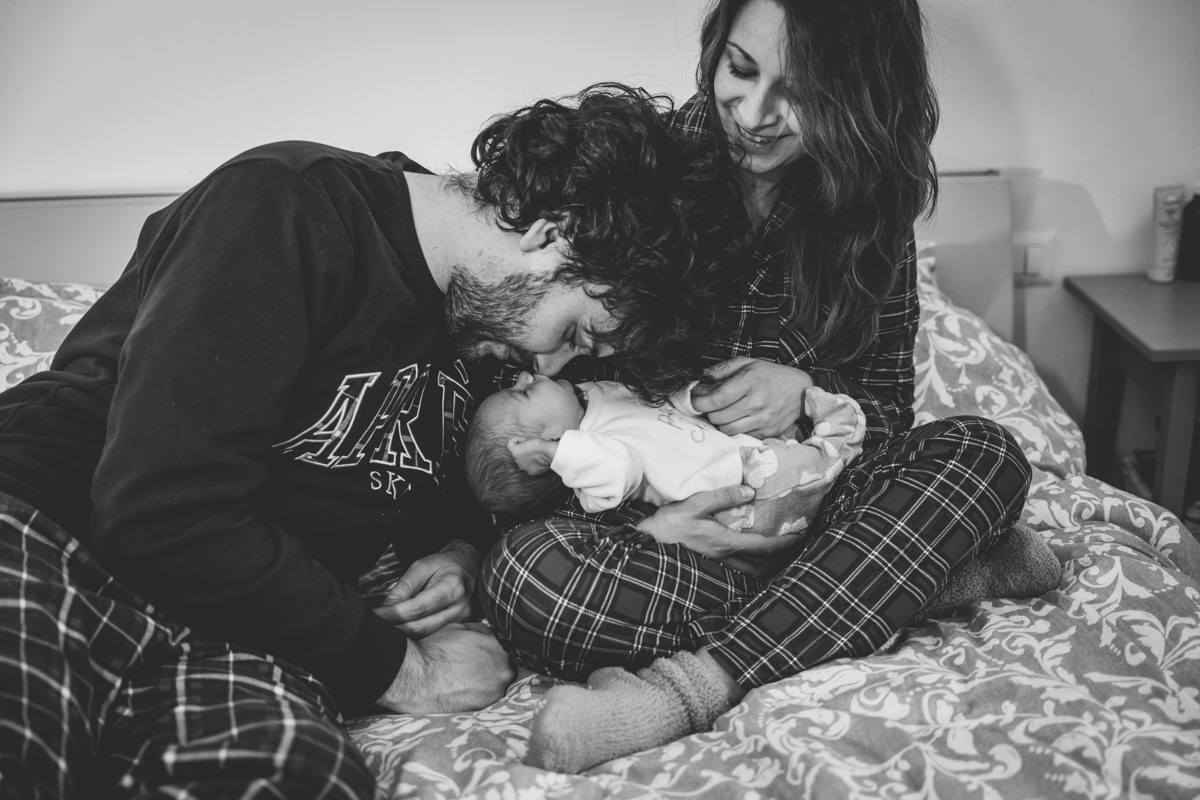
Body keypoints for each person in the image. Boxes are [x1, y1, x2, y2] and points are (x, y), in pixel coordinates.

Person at [0, 84, 747, 798]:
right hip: (54, 532)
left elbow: (450, 483)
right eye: (577, 333)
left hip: (251, 624)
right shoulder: (284, 204)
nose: (552, 369)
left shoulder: (481, 328)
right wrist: (408, 672)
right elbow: (158, 511)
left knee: (291, 780)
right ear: (553, 233)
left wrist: (459, 553)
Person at [480, 0, 1044, 774]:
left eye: (801, 92)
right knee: (524, 578)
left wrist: (807, 389)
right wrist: (658, 534)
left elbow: (886, 415)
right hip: (658, 532)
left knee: (986, 453)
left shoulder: (871, 219)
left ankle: (686, 689)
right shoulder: (640, 170)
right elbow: (553, 362)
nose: (752, 114)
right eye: (739, 70)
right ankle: (919, 578)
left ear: (859, 100)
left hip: (813, 505)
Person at [466, 370, 865, 539]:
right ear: (550, 443)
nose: (524, 376)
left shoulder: (594, 398)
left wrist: (693, 397)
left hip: (736, 452)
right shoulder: (591, 469)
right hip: (734, 493)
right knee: (789, 471)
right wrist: (559, 455)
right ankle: (834, 445)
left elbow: (657, 404)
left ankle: (823, 454)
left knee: (778, 449)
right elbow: (621, 468)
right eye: (522, 393)